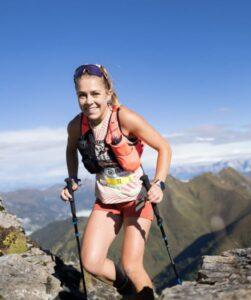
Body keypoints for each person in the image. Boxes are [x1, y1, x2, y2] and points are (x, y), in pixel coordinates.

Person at [60, 64, 172, 299]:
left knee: (131, 265)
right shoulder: (76, 126)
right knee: (90, 262)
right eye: (82, 95)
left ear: (108, 93)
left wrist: (159, 183)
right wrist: (72, 178)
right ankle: (127, 290)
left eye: (95, 93)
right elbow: (71, 151)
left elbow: (164, 147)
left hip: (137, 200)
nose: (88, 101)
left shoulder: (124, 117)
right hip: (106, 201)